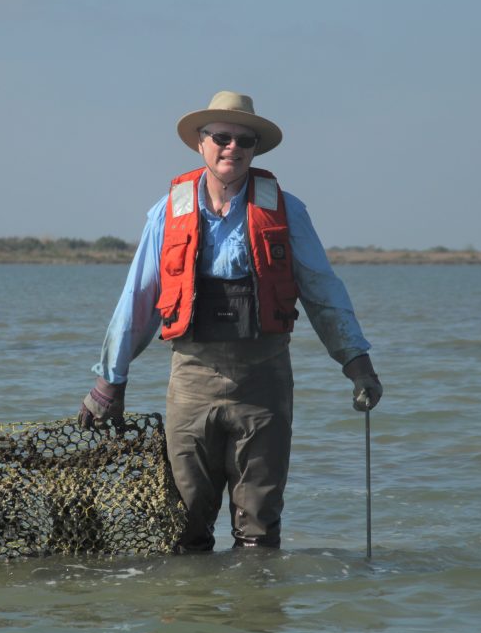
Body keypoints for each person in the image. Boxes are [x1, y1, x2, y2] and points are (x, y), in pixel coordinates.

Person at [79, 90, 382, 551]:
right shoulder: (166, 213)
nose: (233, 148)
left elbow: (323, 291)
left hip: (264, 383)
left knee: (259, 530)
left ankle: (253, 614)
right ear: (200, 144)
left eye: (245, 141)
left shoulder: (287, 211)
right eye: (222, 137)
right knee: (183, 527)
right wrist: (109, 381)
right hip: (191, 382)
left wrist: (356, 364)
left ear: (254, 150)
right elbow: (138, 300)